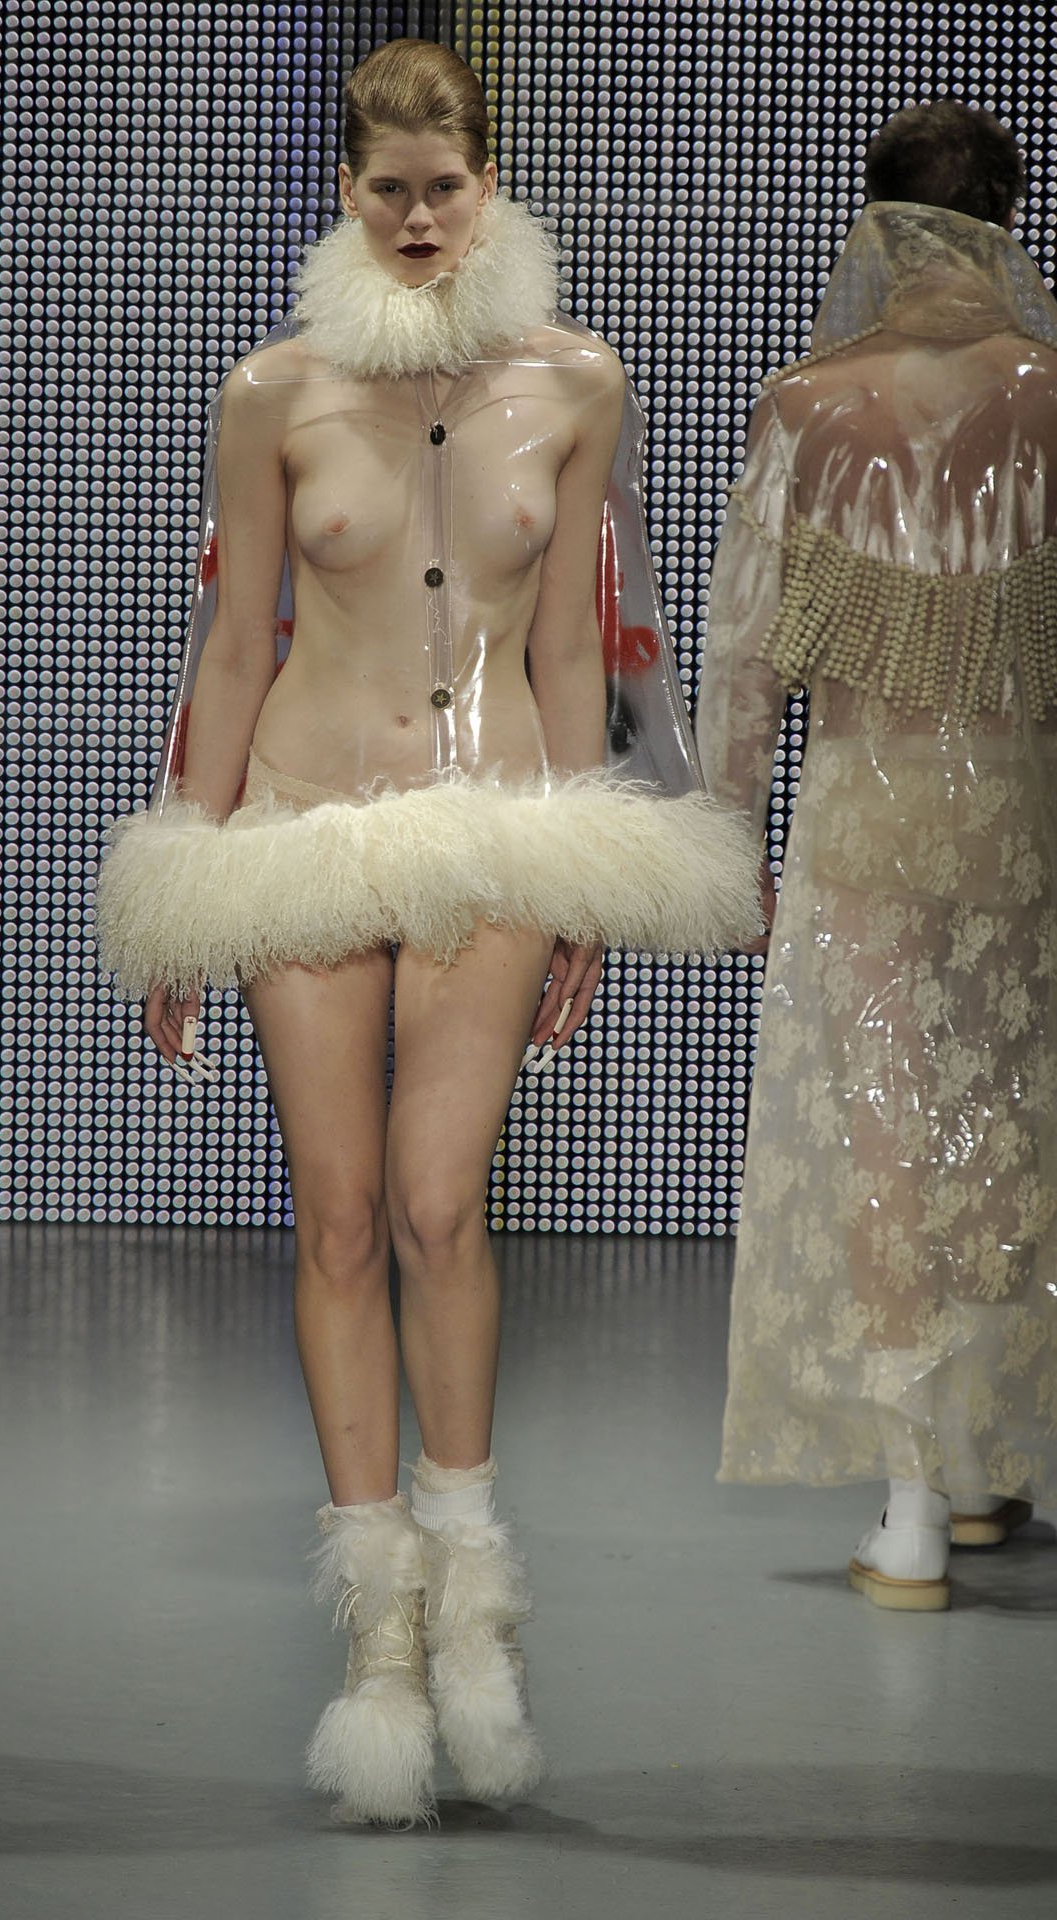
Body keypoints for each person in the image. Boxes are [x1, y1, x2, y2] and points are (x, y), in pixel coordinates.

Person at [98, 39, 757, 1823]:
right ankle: (379, 1629)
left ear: (490, 181)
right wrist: (182, 887)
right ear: (344, 189)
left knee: (435, 1204)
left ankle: (474, 1598)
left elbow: (576, 645)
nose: (414, 217)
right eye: (385, 188)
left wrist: (589, 867)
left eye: (442, 185)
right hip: (304, 831)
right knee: (332, 1218)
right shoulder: (273, 393)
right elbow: (236, 639)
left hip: (494, 830)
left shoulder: (578, 381)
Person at [697, 101, 1057, 1612]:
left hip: (862, 805)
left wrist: (730, 834)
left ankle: (913, 1504)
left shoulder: (805, 403)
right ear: (1005, 218)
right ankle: (978, 1467)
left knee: (890, 1134)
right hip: (1022, 809)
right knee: (1010, 1121)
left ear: (884, 222)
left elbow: (743, 648)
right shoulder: (1050, 395)